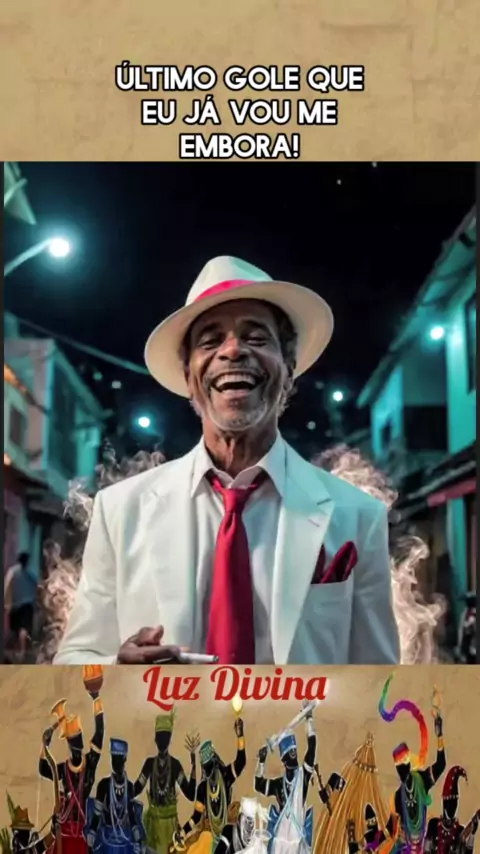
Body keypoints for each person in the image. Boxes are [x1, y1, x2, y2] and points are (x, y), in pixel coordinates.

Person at [54, 255, 400, 666]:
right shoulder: (119, 511)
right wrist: (117, 670)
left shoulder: (357, 516)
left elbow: (379, 680)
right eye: (210, 340)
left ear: (289, 368)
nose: (233, 350)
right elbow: (73, 662)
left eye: (256, 338)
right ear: (189, 376)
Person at [39, 689, 105, 854]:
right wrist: (44, 746)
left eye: (78, 743)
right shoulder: (63, 769)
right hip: (64, 834)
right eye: (74, 744)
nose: (77, 748)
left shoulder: (89, 764)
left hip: (82, 835)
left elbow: (100, 733)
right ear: (69, 746)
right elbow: (43, 769)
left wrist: (96, 699)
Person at [174, 716, 246, 854]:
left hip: (227, 832)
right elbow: (196, 817)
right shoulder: (202, 788)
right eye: (205, 768)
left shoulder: (225, 775)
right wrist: (182, 833)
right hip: (210, 834)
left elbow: (241, 762)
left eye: (210, 766)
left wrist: (240, 736)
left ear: (215, 761)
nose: (208, 772)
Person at [132, 711, 198, 854]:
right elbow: (136, 789)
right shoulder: (150, 764)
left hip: (170, 829)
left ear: (169, 739)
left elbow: (190, 794)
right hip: (153, 828)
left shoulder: (175, 765)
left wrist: (194, 763)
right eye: (160, 736)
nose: (162, 740)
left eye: (165, 737)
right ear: (155, 739)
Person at [254, 712, 316, 854]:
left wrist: (309, 719)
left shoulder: (303, 777)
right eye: (291, 752)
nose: (294, 755)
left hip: (296, 844)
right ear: (283, 760)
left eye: (295, 751)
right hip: (279, 843)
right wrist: (261, 762)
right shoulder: (278, 785)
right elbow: (258, 785)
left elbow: (312, 747)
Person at [85, 739, 145, 854]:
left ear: (125, 759)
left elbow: (132, 816)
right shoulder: (103, 785)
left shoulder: (129, 786)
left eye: (119, 760)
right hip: (107, 837)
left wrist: (138, 839)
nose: (116, 764)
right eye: (114, 759)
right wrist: (91, 840)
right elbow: (96, 816)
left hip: (125, 837)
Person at [425, 766, 480, 853]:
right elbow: (426, 851)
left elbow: (468, 852)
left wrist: (472, 834)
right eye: (449, 803)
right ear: (444, 804)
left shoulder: (460, 831)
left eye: (454, 804)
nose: (452, 808)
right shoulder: (433, 825)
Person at [4, 552, 37, 661]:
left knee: (16, 629)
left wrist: (6, 603)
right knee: (23, 628)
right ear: (27, 561)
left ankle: (17, 651)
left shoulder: (12, 571)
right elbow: (37, 586)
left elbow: (7, 587)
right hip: (27, 605)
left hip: (15, 605)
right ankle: (21, 651)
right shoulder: (30, 573)